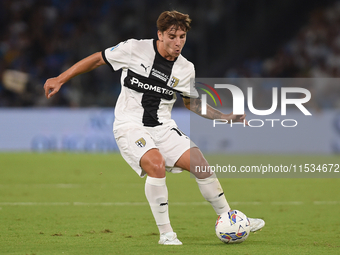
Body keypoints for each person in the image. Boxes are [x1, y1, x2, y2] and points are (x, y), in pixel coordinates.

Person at [44, 10, 265, 245]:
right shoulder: (133, 49)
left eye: (182, 36)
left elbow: (192, 103)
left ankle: (231, 219)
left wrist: (224, 117)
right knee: (156, 164)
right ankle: (166, 233)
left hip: (163, 126)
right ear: (159, 34)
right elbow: (98, 59)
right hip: (130, 125)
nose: (178, 42)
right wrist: (60, 78)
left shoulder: (185, 68)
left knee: (201, 166)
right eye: (172, 36)